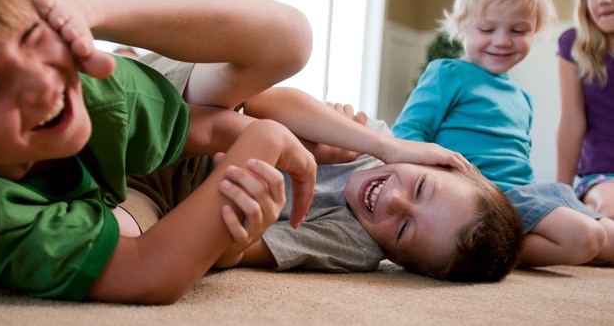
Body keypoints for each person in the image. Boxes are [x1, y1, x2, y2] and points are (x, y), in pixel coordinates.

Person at [0, 0, 469, 303]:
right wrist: (261, 147)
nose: (41, 85)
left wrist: (255, 141)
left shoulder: (96, 92)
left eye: (29, 35)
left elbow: (202, 129)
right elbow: (148, 274)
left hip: (139, 183)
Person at [392, 0, 614, 268]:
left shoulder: (522, 97)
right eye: (487, 28)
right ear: (460, 25)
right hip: (481, 197)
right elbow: (406, 135)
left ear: (536, 30)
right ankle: (484, 250)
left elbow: (517, 163)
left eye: (519, 30)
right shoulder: (448, 74)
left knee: (609, 237)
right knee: (586, 237)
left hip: (522, 194)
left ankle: (498, 242)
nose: (502, 40)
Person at [209, 89, 524, 282]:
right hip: (210, 115)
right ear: (433, 160)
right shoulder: (378, 141)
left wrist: (237, 236)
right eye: (421, 187)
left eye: (403, 229)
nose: (395, 201)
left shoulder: (356, 246)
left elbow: (231, 253)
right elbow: (260, 103)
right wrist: (355, 145)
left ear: (396, 258)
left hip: (194, 193)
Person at [556, 0, 614, 220]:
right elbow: (571, 121)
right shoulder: (573, 45)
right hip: (602, 174)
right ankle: (586, 214)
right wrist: (560, 194)